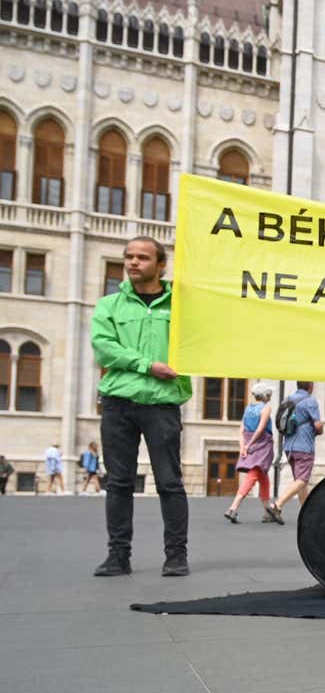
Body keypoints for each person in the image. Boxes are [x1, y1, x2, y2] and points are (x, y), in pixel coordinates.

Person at [90, 236, 193, 577]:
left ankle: (176, 556)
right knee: (119, 482)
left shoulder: (180, 306)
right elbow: (104, 349)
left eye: (143, 258)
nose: (133, 262)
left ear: (160, 265)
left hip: (162, 404)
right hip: (118, 403)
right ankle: (118, 556)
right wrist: (148, 366)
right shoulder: (109, 306)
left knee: (169, 482)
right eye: (129, 257)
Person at [267, 381, 323, 524]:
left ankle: (308, 515)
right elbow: (318, 425)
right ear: (310, 387)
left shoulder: (287, 400)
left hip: (289, 446)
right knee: (302, 480)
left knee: (300, 482)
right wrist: (320, 429)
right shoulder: (310, 401)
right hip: (304, 446)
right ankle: (277, 505)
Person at [226, 383, 276, 523]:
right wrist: (249, 445)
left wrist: (243, 446)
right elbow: (260, 430)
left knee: (263, 478)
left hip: (249, 442)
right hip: (262, 444)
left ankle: (267, 513)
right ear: (265, 395)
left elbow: (241, 430)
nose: (270, 396)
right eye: (269, 393)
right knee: (253, 474)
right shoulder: (266, 408)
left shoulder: (248, 408)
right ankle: (233, 507)